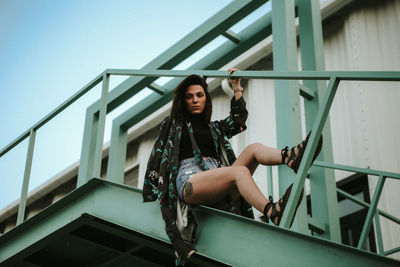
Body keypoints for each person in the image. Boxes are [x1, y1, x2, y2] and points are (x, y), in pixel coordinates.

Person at [142, 69, 323, 266]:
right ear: (182, 101)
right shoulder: (173, 125)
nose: (195, 100)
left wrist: (237, 87)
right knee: (240, 172)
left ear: (206, 99)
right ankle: (272, 211)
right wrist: (151, 190)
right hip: (189, 181)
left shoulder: (215, 129)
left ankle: (291, 157)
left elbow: (238, 122)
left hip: (216, 179)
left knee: (253, 149)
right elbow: (157, 155)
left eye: (200, 95)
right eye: (189, 96)